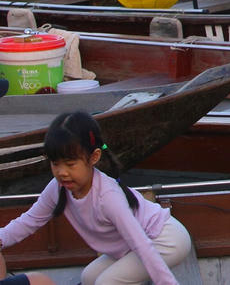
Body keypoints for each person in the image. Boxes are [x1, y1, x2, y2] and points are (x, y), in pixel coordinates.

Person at [0, 111, 192, 285]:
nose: (62, 172)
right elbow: (29, 220)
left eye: (70, 164)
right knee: (89, 278)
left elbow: (141, 244)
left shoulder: (108, 197)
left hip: (166, 240)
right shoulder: (57, 188)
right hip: (134, 245)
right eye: (55, 163)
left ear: (94, 157)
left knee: (106, 283)